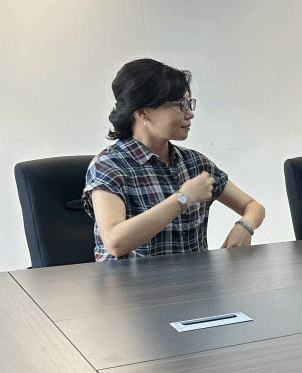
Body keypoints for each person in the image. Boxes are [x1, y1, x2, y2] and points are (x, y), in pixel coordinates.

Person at [84, 59, 265, 261]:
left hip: (192, 279)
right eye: (180, 105)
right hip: (130, 281)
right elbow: (115, 243)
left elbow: (253, 207)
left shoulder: (194, 163)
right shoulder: (108, 165)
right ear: (143, 112)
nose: (190, 114)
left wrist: (245, 226)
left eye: (189, 103)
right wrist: (182, 198)